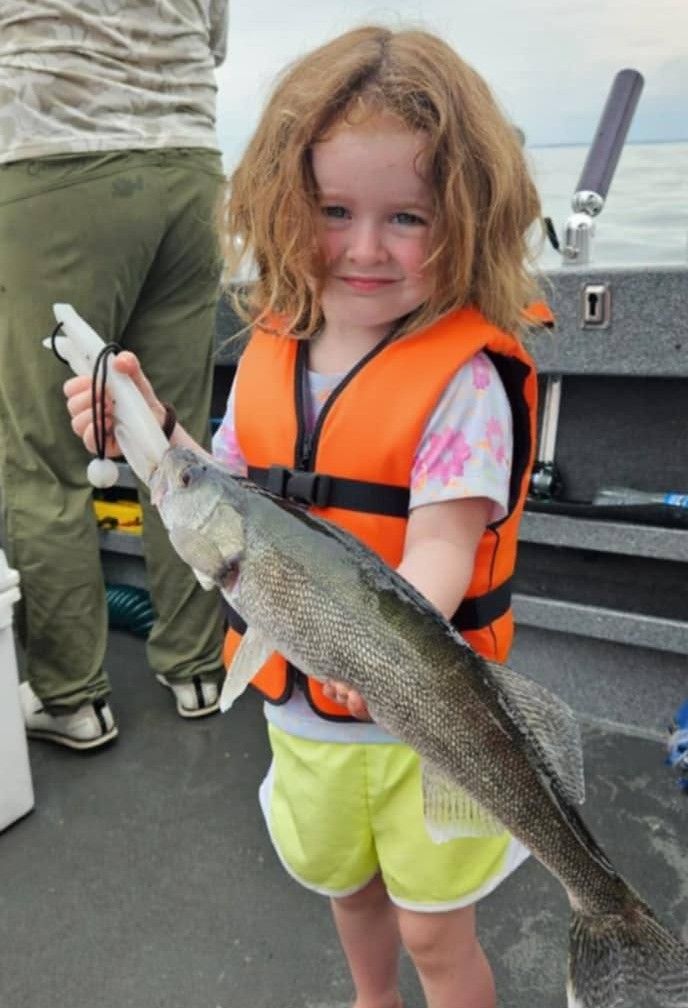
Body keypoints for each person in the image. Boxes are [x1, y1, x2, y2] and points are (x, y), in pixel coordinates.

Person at [65, 25, 548, 1008]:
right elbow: (225, 494)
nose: (365, 248)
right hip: (302, 714)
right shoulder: (274, 354)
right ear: (286, 206)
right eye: (332, 210)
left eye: (407, 218)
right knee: (350, 889)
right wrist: (143, 426)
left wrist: (383, 664)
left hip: (430, 728)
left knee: (432, 927)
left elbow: (445, 545)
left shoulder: (463, 385)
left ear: (465, 218)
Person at [0, 1, 229, 750]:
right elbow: (214, 40)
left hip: (51, 155)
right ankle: (198, 668)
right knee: (173, 438)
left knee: (44, 458)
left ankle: (71, 698)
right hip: (189, 166)